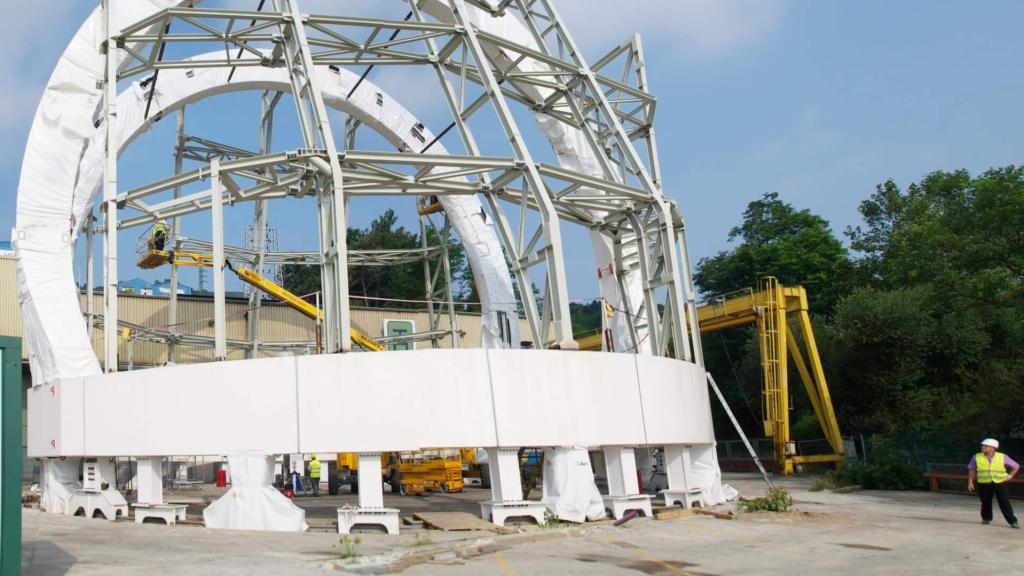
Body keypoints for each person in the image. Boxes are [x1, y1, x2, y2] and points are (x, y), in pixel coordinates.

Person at [967, 438, 1020, 528]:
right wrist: (970, 481)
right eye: (982, 446)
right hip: (984, 483)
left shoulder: (1002, 456)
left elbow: (1016, 466)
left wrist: (1010, 476)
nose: (983, 447)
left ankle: (1012, 521)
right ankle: (986, 518)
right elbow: (972, 469)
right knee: (985, 501)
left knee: (1004, 501)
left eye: (985, 446)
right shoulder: (976, 457)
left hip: (1000, 482)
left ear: (993, 448)